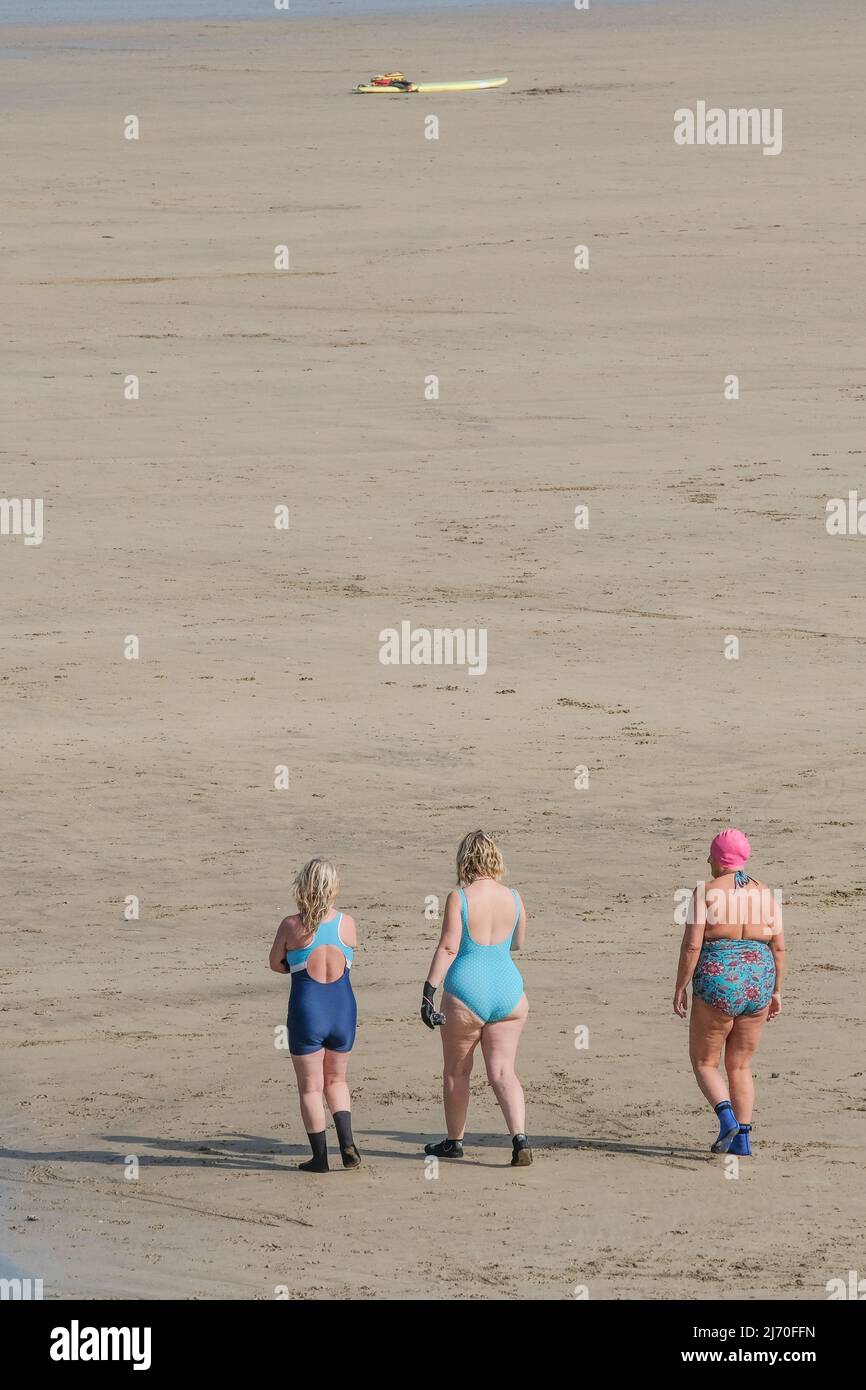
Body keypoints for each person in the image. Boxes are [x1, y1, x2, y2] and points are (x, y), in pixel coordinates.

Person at [420, 830, 531, 1166]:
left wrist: (428, 991)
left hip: (466, 992)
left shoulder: (459, 897)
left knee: (457, 1071)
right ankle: (520, 1140)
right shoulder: (513, 896)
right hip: (509, 992)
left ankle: (455, 1141)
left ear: (464, 859)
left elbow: (449, 946)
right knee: (503, 1072)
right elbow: (518, 943)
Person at [673, 829, 785, 1155]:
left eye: (711, 855)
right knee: (740, 1065)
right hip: (759, 978)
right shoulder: (766, 893)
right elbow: (779, 948)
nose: (708, 860)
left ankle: (726, 1119)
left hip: (719, 978)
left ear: (720, 859)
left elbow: (692, 945)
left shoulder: (705, 892)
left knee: (706, 1062)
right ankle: (743, 1141)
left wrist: (681, 986)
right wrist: (776, 990)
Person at [269, 858, 361, 1173]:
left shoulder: (291, 925)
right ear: (333, 888)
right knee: (337, 1080)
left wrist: (295, 963)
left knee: (310, 1087)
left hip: (307, 1010)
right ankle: (348, 1146)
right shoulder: (346, 923)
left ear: (303, 886)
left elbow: (275, 963)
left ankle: (320, 1158)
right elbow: (351, 956)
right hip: (342, 1009)